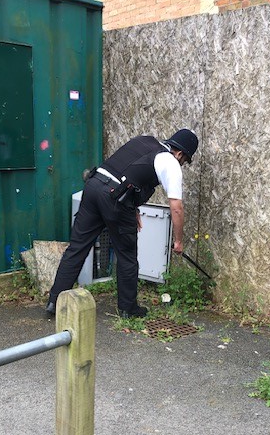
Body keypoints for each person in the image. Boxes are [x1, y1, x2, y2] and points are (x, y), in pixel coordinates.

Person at [45, 128, 199, 318]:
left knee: (77, 247)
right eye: (185, 161)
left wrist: (132, 208)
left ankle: (55, 302)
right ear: (180, 153)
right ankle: (128, 309)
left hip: (93, 186)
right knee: (127, 256)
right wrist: (178, 241)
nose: (183, 164)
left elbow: (125, 171)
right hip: (114, 200)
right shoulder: (171, 163)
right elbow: (176, 207)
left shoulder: (145, 140)